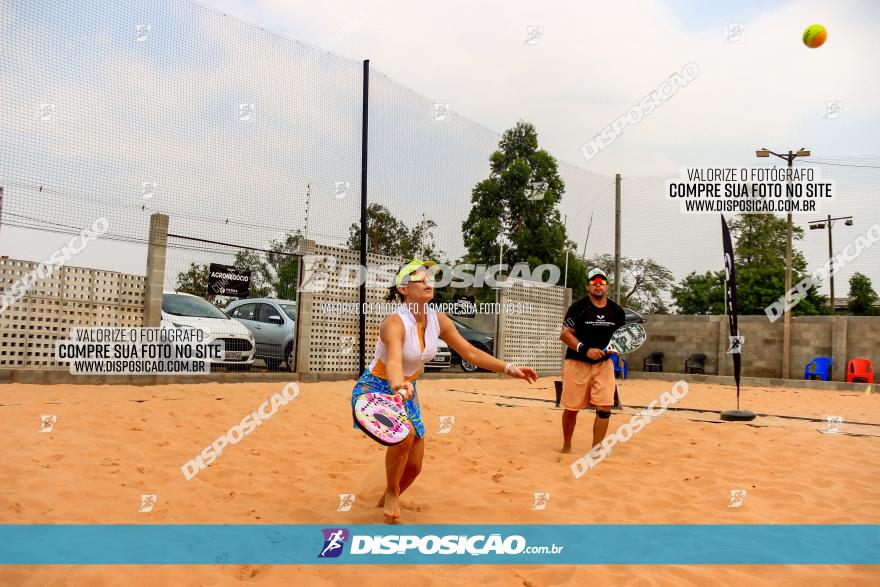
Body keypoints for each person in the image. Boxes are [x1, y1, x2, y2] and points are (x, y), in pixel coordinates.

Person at [351, 259, 538, 520]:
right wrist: (398, 385)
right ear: (404, 289)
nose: (429, 282)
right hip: (377, 388)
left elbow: (471, 352)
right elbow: (393, 362)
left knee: (415, 467)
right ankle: (392, 492)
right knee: (404, 437)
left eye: (431, 278)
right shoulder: (394, 323)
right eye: (421, 279)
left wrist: (509, 368)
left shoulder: (437, 319)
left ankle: (383, 499)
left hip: (408, 390)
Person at [558, 268, 625, 455]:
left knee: (604, 408)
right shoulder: (578, 308)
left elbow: (620, 339)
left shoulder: (617, 311)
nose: (598, 285)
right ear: (588, 286)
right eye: (593, 282)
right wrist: (585, 349)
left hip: (604, 365)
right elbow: (565, 335)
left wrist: (615, 349)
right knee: (572, 409)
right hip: (576, 364)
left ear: (607, 286)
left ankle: (596, 450)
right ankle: (567, 446)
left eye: (601, 281)